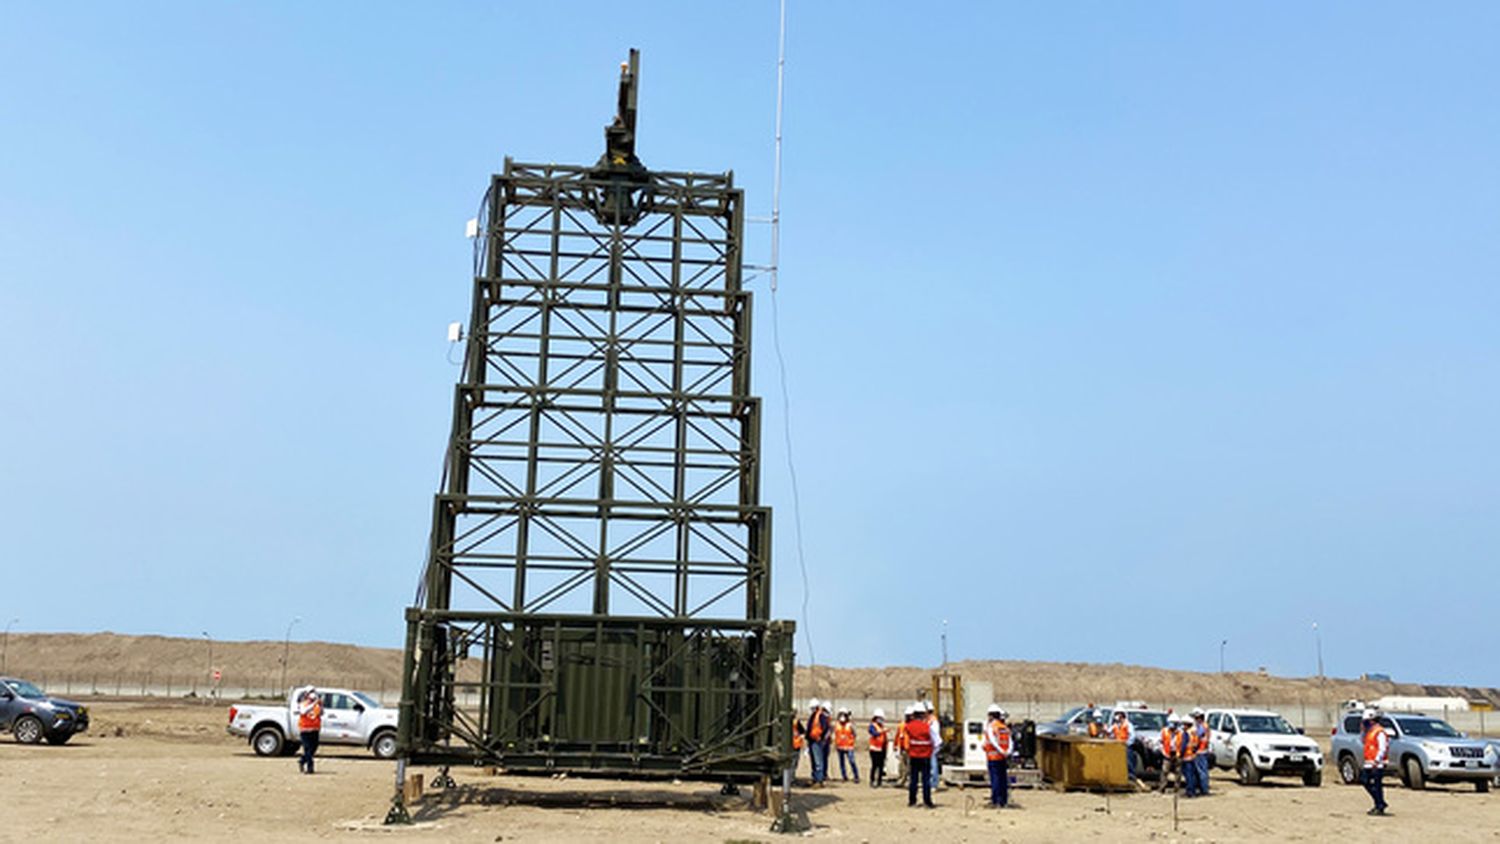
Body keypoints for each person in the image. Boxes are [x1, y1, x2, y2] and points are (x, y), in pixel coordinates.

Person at [905, 701, 937, 808]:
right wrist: (933, 750)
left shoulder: (908, 726)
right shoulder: (927, 727)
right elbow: (937, 741)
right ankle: (927, 801)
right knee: (925, 780)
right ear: (923, 714)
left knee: (913, 779)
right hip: (925, 756)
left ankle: (912, 801)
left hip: (914, 756)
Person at [982, 704, 1013, 808]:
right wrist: (1007, 751)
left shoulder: (991, 727)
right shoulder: (1004, 727)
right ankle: (1003, 800)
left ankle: (996, 800)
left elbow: (992, 740)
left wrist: (1000, 750)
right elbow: (1010, 741)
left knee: (995, 779)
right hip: (1003, 757)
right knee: (1003, 779)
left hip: (993, 757)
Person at [1361, 708, 1390, 816]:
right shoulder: (1369, 732)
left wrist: (1377, 761)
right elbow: (1363, 742)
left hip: (1377, 764)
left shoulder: (1380, 732)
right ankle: (1380, 802)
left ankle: (1379, 805)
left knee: (1377, 785)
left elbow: (1382, 748)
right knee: (1364, 781)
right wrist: (1363, 731)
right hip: (1369, 762)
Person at [805, 699, 832, 787]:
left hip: (817, 741)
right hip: (812, 740)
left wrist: (821, 738)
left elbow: (826, 728)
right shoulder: (814, 716)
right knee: (814, 761)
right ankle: (815, 778)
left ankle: (819, 780)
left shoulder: (821, 716)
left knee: (818, 762)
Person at [296, 687, 323, 775]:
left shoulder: (317, 705)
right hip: (305, 730)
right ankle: (310, 768)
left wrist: (320, 705)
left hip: (315, 729)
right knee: (307, 748)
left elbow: (321, 713)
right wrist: (313, 703)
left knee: (313, 748)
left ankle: (302, 760)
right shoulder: (303, 703)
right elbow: (303, 712)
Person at [1177, 713, 1202, 797]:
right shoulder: (1194, 732)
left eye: (1183, 724)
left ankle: (1190, 791)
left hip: (1186, 757)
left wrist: (1180, 754)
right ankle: (1193, 791)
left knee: (1188, 775)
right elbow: (1197, 743)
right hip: (1193, 756)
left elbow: (1183, 745)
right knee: (1192, 775)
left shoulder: (1186, 733)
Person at [833, 707, 860, 782]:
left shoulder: (850, 725)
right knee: (842, 763)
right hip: (840, 747)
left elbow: (855, 734)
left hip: (849, 747)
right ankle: (844, 776)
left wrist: (851, 740)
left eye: (843, 714)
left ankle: (856, 776)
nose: (842, 716)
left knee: (852, 761)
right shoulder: (837, 724)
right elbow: (835, 734)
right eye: (840, 714)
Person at [867, 708, 890, 788]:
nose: (880, 720)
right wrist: (883, 731)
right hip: (874, 749)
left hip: (882, 749)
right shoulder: (872, 726)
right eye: (879, 718)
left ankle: (879, 781)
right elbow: (874, 733)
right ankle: (872, 780)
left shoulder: (882, 726)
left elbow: (884, 738)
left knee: (881, 766)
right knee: (874, 765)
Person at [1111, 710, 1136, 780]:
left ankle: (1131, 777)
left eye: (1118, 714)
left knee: (1128, 763)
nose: (1117, 716)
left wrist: (1127, 743)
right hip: (1117, 747)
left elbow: (1132, 736)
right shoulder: (1115, 725)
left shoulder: (1128, 725)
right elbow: (1111, 734)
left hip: (1126, 747)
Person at [1190, 708, 1211, 796]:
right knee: (1203, 771)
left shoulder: (1201, 726)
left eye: (1195, 717)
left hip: (1200, 752)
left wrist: (1193, 747)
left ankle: (1204, 790)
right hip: (1203, 751)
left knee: (1201, 772)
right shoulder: (1206, 726)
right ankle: (1203, 789)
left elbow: (1197, 739)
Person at [1159, 715, 1182, 793]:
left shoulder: (1180, 732)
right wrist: (1163, 752)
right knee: (1165, 771)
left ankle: (1176, 788)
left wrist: (1179, 753)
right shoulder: (1164, 731)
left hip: (1177, 754)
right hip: (1167, 754)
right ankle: (1162, 787)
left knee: (1178, 772)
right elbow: (1161, 742)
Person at [923, 700, 943, 785]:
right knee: (931, 762)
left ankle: (934, 782)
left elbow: (932, 734)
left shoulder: (932, 721)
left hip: (933, 744)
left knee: (933, 762)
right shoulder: (930, 720)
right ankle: (932, 781)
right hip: (933, 743)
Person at [894, 706, 913, 785]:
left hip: (910, 748)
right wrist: (895, 746)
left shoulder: (912, 725)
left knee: (910, 765)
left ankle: (908, 780)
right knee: (902, 765)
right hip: (903, 748)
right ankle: (902, 779)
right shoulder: (902, 725)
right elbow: (897, 735)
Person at [791, 713, 806, 781]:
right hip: (794, 745)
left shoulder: (796, 722)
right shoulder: (796, 722)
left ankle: (791, 778)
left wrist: (800, 737)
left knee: (793, 763)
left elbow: (803, 732)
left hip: (795, 745)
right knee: (793, 763)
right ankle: (791, 778)